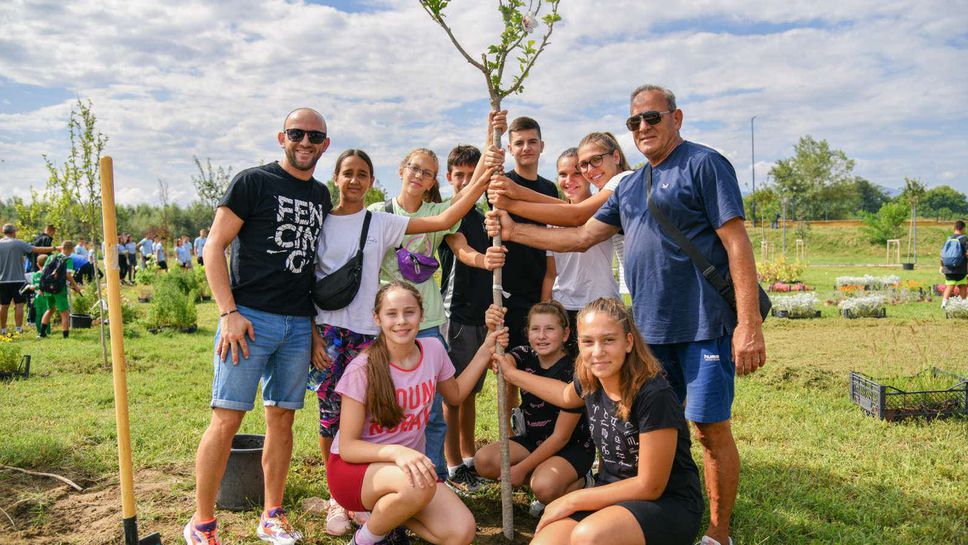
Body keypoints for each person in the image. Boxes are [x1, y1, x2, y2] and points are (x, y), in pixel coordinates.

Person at [486, 84, 766, 545]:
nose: (643, 128)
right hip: (649, 329)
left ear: (677, 118)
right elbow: (577, 232)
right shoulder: (632, 186)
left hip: (703, 326)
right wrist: (514, 228)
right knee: (655, 425)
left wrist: (748, 324)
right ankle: (653, 500)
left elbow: (736, 241)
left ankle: (718, 531)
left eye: (652, 118)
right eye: (634, 121)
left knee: (708, 429)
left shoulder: (703, 164)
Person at [309, 148, 498, 535]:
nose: (419, 175)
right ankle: (343, 498)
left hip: (390, 323)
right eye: (414, 168)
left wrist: (488, 160)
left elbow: (452, 217)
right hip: (350, 324)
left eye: (427, 172)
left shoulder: (400, 218)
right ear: (400, 170)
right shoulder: (351, 218)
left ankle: (414, 485)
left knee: (412, 409)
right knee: (339, 415)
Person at [184, 107, 333, 545]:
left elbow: (312, 268)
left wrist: (313, 327)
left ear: (325, 144)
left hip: (297, 324)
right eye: (297, 133)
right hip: (249, 321)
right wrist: (228, 312)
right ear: (281, 137)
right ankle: (202, 523)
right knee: (227, 419)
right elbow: (214, 248)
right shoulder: (254, 181)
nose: (305, 142)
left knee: (282, 420)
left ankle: (272, 514)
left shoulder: (322, 195)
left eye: (314, 136)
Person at [493, 298, 703, 545]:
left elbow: (650, 486)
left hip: (666, 502)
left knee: (589, 536)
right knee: (545, 541)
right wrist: (512, 374)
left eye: (608, 340)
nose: (598, 351)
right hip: (610, 492)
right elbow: (562, 394)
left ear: (628, 342)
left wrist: (572, 499)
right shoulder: (590, 381)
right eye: (588, 342)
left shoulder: (654, 395)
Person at [325, 281, 502, 545]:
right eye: (391, 314)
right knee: (421, 483)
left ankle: (389, 518)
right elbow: (348, 448)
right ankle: (364, 540)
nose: (401, 321)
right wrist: (398, 452)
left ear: (422, 314)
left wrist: (487, 347)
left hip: (408, 474)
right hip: (353, 473)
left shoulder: (433, 350)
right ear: (377, 318)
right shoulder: (362, 369)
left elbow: (454, 394)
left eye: (409, 312)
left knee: (460, 531)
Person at [474, 300, 594, 518]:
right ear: (527, 333)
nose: (541, 336)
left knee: (544, 486)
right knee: (484, 461)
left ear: (566, 334)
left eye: (550, 329)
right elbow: (508, 358)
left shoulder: (574, 371)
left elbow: (560, 437)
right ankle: (541, 476)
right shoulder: (525, 355)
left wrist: (521, 469)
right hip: (533, 438)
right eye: (535, 329)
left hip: (571, 446)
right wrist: (500, 359)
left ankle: (581, 482)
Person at [437, 144, 493, 493]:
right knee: (453, 395)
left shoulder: (485, 215)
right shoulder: (450, 213)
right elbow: (462, 250)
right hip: (455, 315)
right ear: (449, 178)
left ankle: (469, 458)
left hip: (481, 314)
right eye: (459, 176)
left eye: (473, 176)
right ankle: (453, 465)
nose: (465, 182)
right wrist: (484, 260)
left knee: (469, 392)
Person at [484, 114, 559, 351]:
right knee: (510, 363)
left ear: (541, 146)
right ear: (509, 149)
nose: (526, 148)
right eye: (519, 143)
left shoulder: (549, 189)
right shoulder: (499, 184)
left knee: (541, 359)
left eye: (532, 141)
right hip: (508, 290)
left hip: (542, 286)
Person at [545, 147, 621, 353]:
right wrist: (545, 311)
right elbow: (551, 274)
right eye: (562, 174)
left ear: (587, 175)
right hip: (564, 308)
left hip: (602, 304)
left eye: (576, 173)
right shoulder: (551, 222)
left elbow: (577, 218)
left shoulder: (604, 210)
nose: (569, 180)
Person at [0, 223, 53, 335]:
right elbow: (36, 249)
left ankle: (3, 330)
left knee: (3, 305)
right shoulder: (18, 243)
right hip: (18, 280)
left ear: (3, 231)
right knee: (19, 304)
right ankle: (18, 329)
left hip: (2, 280)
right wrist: (54, 248)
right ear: (14, 231)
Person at [39, 240, 84, 339]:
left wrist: (41, 287)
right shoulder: (68, 259)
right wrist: (75, 286)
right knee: (64, 312)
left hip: (47, 288)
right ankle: (65, 336)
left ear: (62, 248)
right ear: (71, 249)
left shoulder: (51, 257)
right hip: (59, 289)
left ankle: (42, 334)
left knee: (50, 309)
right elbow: (68, 275)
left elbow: (43, 272)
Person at [939, 220, 968, 308]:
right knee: (962, 285)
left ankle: (944, 303)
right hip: (960, 267)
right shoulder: (965, 239)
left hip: (948, 267)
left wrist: (941, 266)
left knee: (949, 285)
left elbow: (942, 254)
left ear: (954, 228)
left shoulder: (948, 239)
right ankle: (963, 304)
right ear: (963, 228)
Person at [25, 254, 49, 335]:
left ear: (37, 264)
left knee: (38, 314)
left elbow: (33, 287)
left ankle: (39, 330)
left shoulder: (34, 275)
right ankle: (47, 330)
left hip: (37, 297)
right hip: (47, 296)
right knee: (47, 313)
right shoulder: (48, 274)